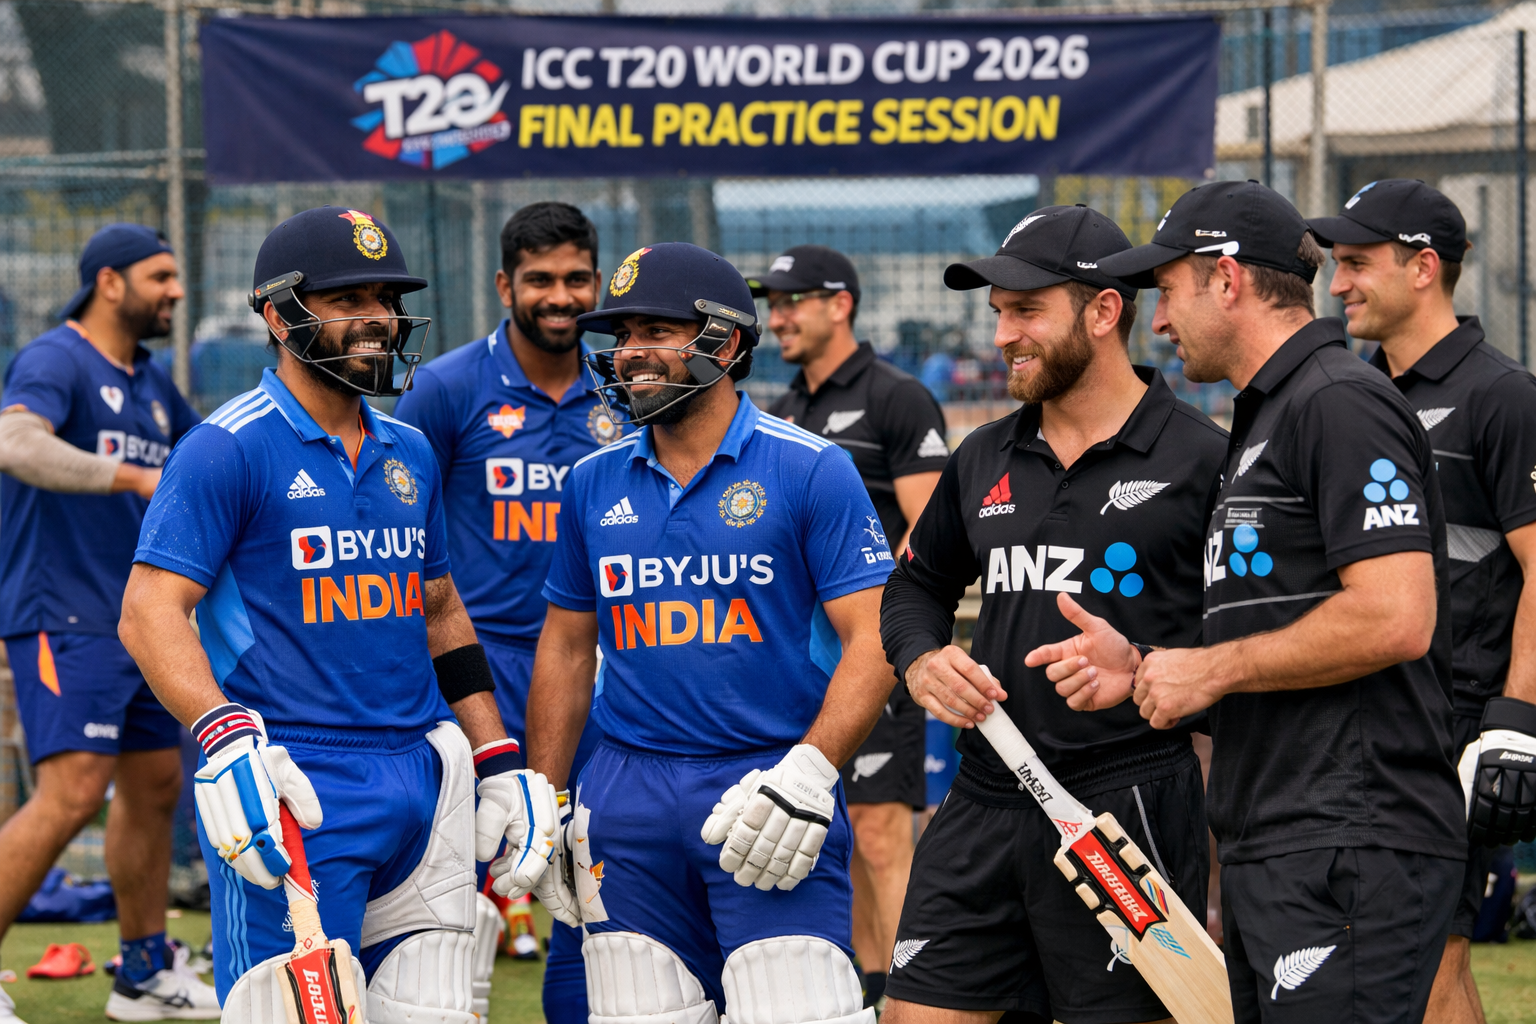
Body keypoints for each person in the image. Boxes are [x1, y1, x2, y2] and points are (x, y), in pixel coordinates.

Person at [1030, 181, 1466, 1023]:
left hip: (1349, 832)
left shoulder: (1337, 402)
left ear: (1225, 280)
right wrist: (1154, 667)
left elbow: (1396, 614)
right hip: (1283, 833)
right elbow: (1277, 637)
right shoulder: (1269, 418)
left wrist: (1209, 669)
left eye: (1167, 291)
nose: (1157, 323)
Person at [116, 206, 557, 1023]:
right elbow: (149, 611)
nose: (377, 319)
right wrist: (222, 734)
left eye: (384, 298)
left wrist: (496, 754)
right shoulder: (225, 446)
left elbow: (438, 607)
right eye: (347, 299)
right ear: (280, 314)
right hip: (293, 786)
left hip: (422, 777)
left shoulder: (409, 448)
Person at [520, 241, 893, 1024]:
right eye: (621, 336)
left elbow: (878, 638)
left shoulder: (810, 468)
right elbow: (564, 646)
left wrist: (810, 772)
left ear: (724, 342)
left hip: (765, 787)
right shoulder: (592, 480)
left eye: (654, 331)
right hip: (624, 794)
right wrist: (547, 796)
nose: (629, 355)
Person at [877, 205, 1228, 1024]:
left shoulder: (1204, 460)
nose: (1002, 335)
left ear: (1104, 311)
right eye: (997, 313)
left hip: (1127, 803)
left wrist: (1140, 666)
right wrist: (923, 659)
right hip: (986, 790)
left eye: (1027, 309)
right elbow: (914, 589)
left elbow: (1246, 650)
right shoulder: (984, 455)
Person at [1309, 179, 1536, 1024]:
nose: (1338, 284)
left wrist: (1515, 719)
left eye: (1358, 263)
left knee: (1420, 964)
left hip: (1458, 732)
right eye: (1336, 264)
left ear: (1425, 267)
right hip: (1366, 724)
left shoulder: (1503, 396)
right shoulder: (1349, 394)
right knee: (1411, 962)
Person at [394, 200, 618, 1024]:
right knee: (448, 885)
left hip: (597, 669)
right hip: (475, 676)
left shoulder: (624, 393)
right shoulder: (448, 389)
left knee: (588, 881)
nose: (560, 296)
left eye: (575, 279)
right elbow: (396, 519)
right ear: (503, 285)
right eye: (540, 280)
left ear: (597, 280)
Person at [0, 223, 211, 1022]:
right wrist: (129, 475)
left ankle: (144, 973)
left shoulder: (153, 381)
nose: (177, 291)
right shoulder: (58, 359)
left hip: (137, 621)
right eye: (160, 275)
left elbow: (205, 458)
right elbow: (13, 442)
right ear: (109, 282)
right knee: (72, 792)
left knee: (156, 787)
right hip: (62, 613)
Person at [756, 244, 948, 1008]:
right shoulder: (784, 410)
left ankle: (920, 996)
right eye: (771, 303)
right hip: (806, 664)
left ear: (841, 303)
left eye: (792, 300)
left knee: (878, 835)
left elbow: (932, 532)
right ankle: (876, 995)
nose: (777, 317)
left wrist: (854, 594)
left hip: (875, 650)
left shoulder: (898, 398)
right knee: (844, 844)